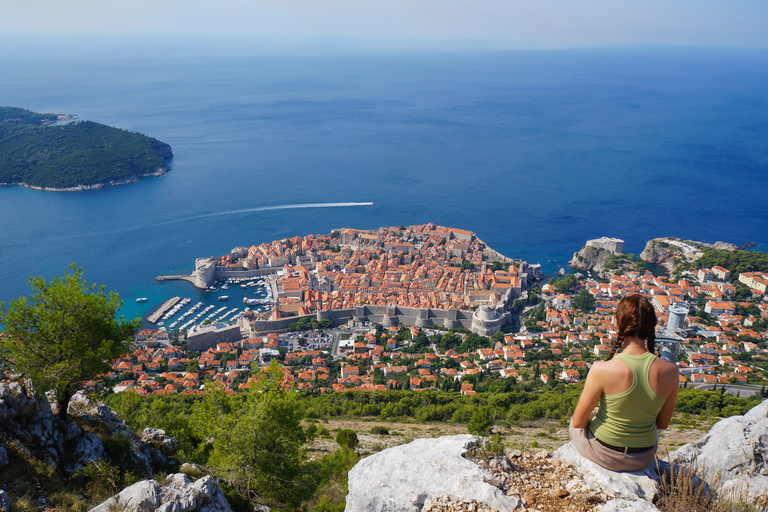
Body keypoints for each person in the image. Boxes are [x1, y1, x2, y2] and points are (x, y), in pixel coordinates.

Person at [570, 294, 679, 471]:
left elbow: (578, 422)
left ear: (617, 322)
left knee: (572, 424)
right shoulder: (671, 371)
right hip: (643, 457)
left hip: (604, 454)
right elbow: (662, 424)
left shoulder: (601, 369)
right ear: (653, 325)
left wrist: (596, 416)